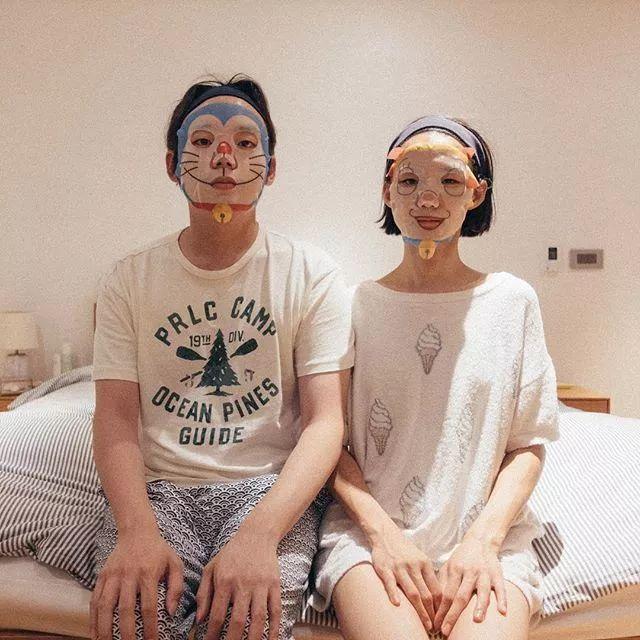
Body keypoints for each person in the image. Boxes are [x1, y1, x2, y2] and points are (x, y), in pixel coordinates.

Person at [90, 75, 353, 640]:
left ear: (271, 168)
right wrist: (135, 531)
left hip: (266, 489)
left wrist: (260, 535)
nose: (225, 157)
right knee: (131, 620)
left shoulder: (312, 275)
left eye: (246, 142)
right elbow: (114, 417)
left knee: (248, 624)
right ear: (173, 164)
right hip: (158, 489)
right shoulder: (128, 280)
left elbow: (326, 422)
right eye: (204, 140)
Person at [310, 116, 559, 640]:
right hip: (370, 536)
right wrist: (383, 536)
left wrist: (483, 542)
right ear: (387, 191)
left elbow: (528, 445)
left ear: (476, 194)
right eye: (409, 180)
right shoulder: (354, 306)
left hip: (488, 540)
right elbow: (329, 443)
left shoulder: (512, 303)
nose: (428, 198)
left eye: (449, 181)